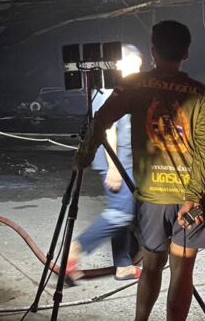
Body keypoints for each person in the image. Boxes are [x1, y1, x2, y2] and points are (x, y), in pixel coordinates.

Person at [74, 20, 205, 321]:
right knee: (182, 272)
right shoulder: (200, 93)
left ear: (153, 51)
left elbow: (101, 120)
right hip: (188, 197)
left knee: (151, 267)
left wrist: (84, 156)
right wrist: (193, 197)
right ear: (187, 53)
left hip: (153, 197)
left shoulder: (135, 85)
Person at [66, 44, 143, 282]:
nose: (138, 70)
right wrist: (114, 168)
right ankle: (76, 250)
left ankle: (123, 265)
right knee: (120, 214)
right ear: (119, 64)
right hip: (116, 160)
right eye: (134, 65)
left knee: (126, 213)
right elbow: (107, 131)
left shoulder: (125, 87)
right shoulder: (108, 89)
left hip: (126, 160)